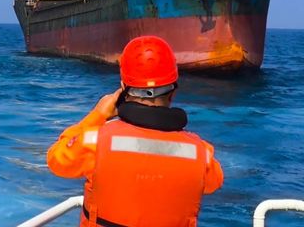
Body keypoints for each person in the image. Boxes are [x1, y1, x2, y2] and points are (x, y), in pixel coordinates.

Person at [46, 36, 223, 226]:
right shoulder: (201, 154)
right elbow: (214, 182)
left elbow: (56, 159)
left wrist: (98, 115)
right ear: (174, 91)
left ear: (123, 89)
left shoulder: (96, 142)